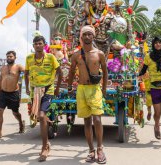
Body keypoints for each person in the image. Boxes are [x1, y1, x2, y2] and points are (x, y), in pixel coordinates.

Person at [68, 25, 108, 164]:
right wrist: (69, 86)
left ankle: (100, 149)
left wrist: (104, 89)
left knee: (97, 120)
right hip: (81, 89)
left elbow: (105, 71)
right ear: (81, 37)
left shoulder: (99, 54)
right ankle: (91, 150)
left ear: (93, 36)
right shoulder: (76, 55)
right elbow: (72, 71)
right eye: (84, 34)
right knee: (86, 121)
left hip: (95, 89)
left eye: (90, 34)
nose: (87, 37)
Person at [25, 35, 62, 162]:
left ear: (44, 44)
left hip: (48, 90)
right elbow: (26, 73)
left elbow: (60, 72)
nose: (38, 45)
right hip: (34, 91)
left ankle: (45, 147)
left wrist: (57, 88)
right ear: (33, 46)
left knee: (41, 115)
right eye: (36, 44)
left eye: (40, 43)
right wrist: (26, 88)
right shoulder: (29, 58)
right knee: (37, 116)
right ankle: (48, 121)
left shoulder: (51, 57)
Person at [0, 51, 25, 141]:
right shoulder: (3, 68)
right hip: (3, 93)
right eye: (7, 56)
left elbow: (28, 72)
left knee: (15, 113)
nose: (9, 58)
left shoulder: (18, 67)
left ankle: (21, 123)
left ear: (15, 57)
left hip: (14, 93)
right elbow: (0, 79)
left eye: (11, 56)